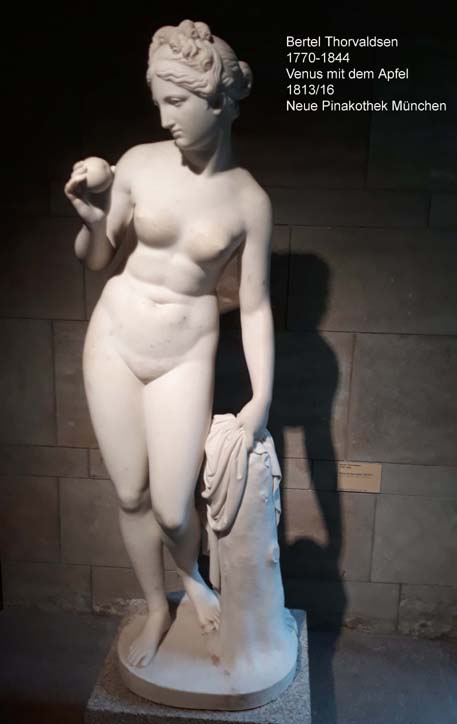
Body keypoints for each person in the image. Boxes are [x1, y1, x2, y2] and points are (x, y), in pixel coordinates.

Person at [64, 19, 274, 668]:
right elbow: (97, 258)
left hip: (184, 350)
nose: (166, 118)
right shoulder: (137, 162)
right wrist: (92, 219)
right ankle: (157, 605)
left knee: (174, 507)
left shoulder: (249, 201)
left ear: (219, 101)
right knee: (129, 493)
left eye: (178, 101)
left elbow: (255, 305)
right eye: (158, 101)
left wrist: (261, 398)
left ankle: (192, 578)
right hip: (115, 336)